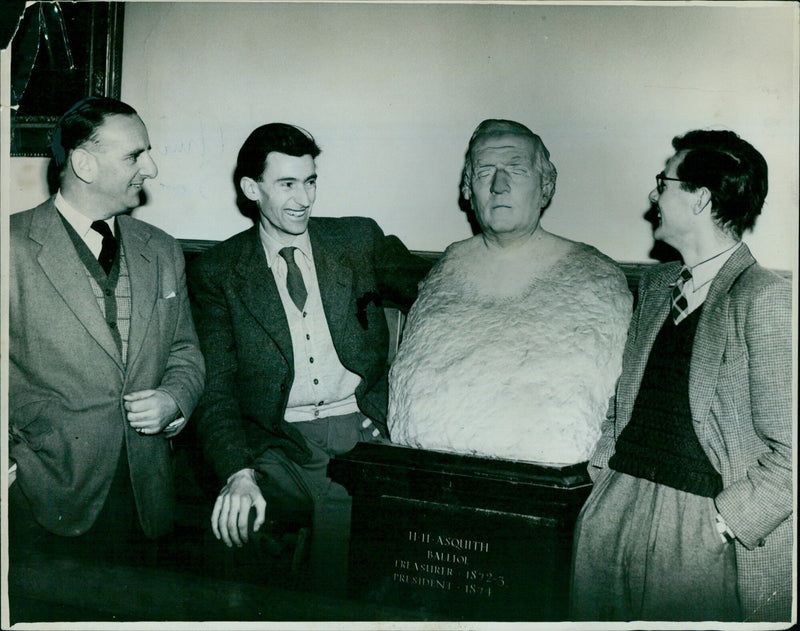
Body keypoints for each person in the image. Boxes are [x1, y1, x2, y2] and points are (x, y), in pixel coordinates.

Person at [188, 123, 431, 584]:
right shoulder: (219, 271)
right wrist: (237, 472)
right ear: (251, 188)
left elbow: (435, 291)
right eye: (287, 184)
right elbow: (215, 387)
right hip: (278, 441)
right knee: (237, 530)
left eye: (310, 181)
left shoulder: (357, 240)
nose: (304, 199)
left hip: (363, 427)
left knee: (353, 507)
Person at [570, 130, 792, 622]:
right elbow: (623, 398)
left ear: (700, 199)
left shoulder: (765, 298)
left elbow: (794, 451)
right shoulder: (654, 287)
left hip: (698, 529)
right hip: (615, 503)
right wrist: (603, 475)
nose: (654, 195)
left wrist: (724, 522)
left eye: (664, 181)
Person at [8, 96, 205, 567]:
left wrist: (175, 399)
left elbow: (185, 351)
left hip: (147, 501)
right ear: (84, 163)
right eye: (135, 155)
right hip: (42, 499)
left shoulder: (161, 249)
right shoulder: (8, 248)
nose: (151, 168)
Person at [388, 119, 632, 465]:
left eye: (516, 171)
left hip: (544, 483)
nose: (499, 186)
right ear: (468, 187)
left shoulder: (593, 277)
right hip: (428, 467)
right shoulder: (448, 268)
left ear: (546, 185)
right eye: (486, 171)